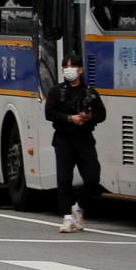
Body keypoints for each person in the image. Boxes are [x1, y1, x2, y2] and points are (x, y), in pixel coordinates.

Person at [44, 52, 106, 233]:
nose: (68, 70)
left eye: (72, 67)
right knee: (64, 179)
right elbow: (50, 113)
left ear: (81, 70)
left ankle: (78, 208)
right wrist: (70, 118)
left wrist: (89, 116)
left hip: (85, 140)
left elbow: (102, 114)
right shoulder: (56, 91)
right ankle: (67, 218)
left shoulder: (90, 93)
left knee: (93, 177)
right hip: (63, 139)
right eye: (65, 67)